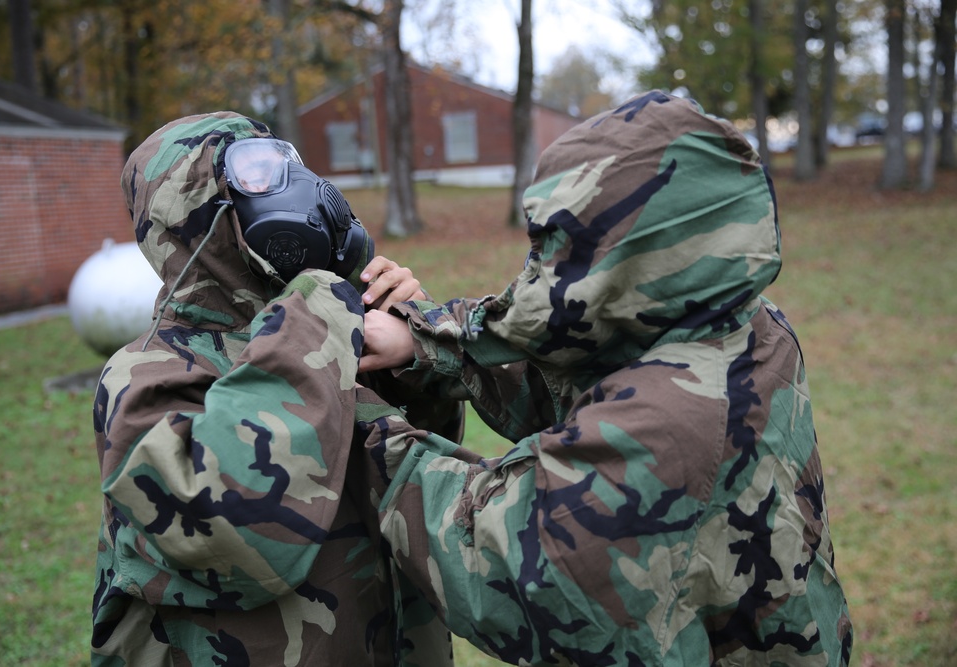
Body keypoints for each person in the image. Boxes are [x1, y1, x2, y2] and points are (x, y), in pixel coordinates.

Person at [356, 91, 853, 665]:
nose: (539, 263)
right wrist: (427, 339)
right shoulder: (745, 325)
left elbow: (499, 562)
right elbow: (575, 362)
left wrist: (357, 423)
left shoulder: (666, 420)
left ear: (626, 254)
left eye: (553, 244)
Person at [90, 111, 459, 666]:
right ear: (195, 215)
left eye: (289, 164)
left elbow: (426, 463)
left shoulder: (321, 319)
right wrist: (321, 311)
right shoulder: (145, 374)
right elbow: (225, 534)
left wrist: (411, 343)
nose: (300, 188)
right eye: (259, 172)